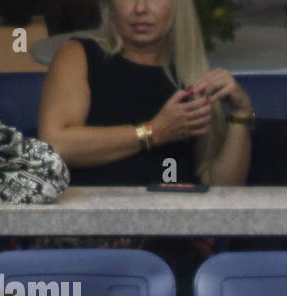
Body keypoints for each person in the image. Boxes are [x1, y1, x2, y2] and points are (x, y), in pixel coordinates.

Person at [39, 0, 252, 187]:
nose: (140, 8)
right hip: (98, 222)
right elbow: (56, 145)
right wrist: (154, 132)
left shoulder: (191, 71)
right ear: (110, 5)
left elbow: (224, 188)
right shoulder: (80, 55)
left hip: (176, 223)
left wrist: (241, 113)